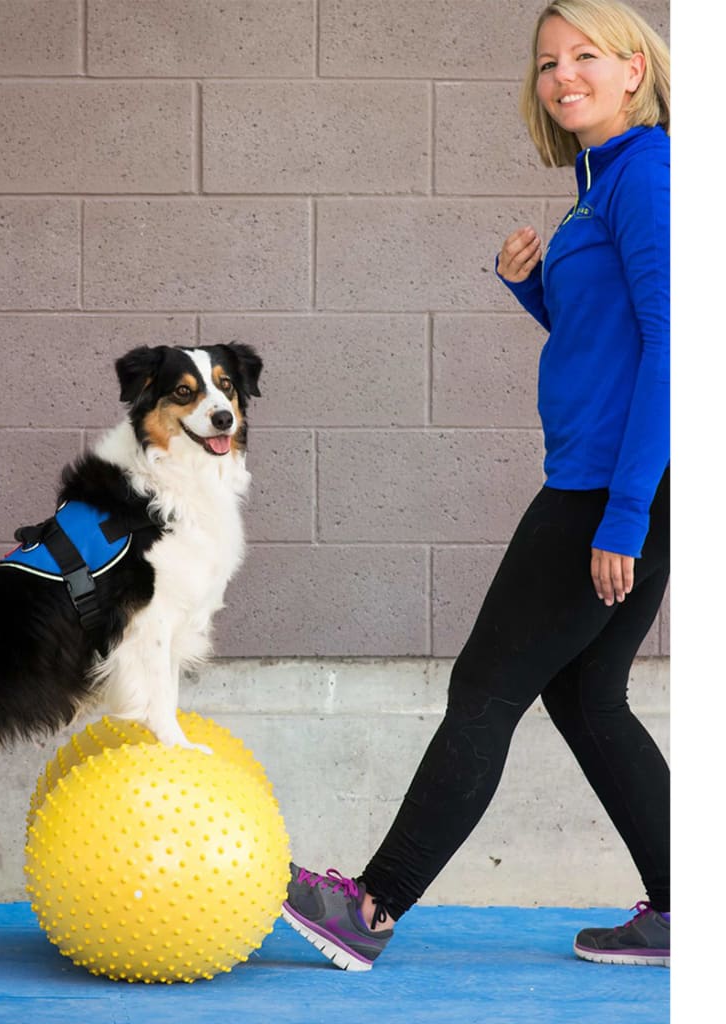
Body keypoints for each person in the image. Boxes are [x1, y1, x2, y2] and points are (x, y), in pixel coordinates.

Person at [283, 0, 670, 970]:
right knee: (586, 697)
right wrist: (532, 289)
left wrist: (624, 512)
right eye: (547, 61)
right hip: (622, 480)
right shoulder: (600, 186)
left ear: (635, 69)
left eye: (587, 54)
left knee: (485, 686)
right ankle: (688, 905)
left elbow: (679, 347)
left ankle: (369, 907)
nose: (563, 74)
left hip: (609, 489)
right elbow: (607, 346)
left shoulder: (649, 175)